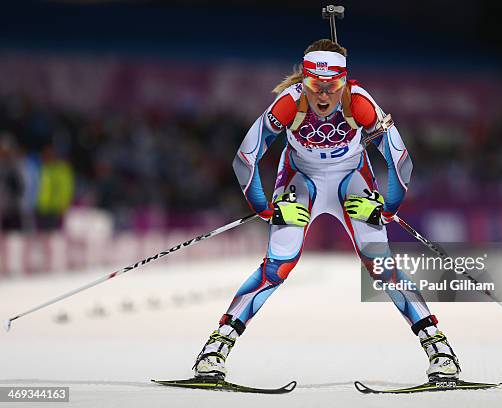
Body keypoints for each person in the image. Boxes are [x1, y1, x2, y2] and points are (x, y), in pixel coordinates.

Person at [193, 39, 461, 382]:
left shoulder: (359, 103)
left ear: (344, 82)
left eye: (331, 87)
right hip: (301, 180)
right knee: (278, 263)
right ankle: (215, 348)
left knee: (382, 266)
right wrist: (267, 210)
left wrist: (387, 208)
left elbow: (401, 162)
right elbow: (245, 159)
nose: (322, 97)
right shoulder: (288, 104)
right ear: (303, 81)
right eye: (314, 87)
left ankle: (439, 349)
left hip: (351, 181)